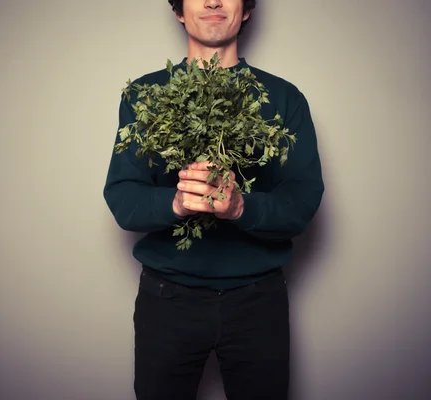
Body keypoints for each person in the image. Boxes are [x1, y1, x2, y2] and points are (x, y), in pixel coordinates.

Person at [103, 0, 324, 398]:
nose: (213, 1)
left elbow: (302, 203)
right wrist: (178, 201)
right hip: (167, 300)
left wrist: (241, 207)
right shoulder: (144, 95)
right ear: (178, 11)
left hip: (258, 302)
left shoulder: (285, 99)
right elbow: (122, 197)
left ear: (247, 9)